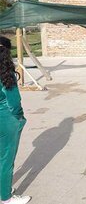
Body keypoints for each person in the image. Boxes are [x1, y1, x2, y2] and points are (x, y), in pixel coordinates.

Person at [0, 36, 31, 204]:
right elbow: (13, 101)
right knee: (6, 159)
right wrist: (19, 118)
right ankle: (6, 197)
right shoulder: (5, 71)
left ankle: (3, 187)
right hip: (6, 119)